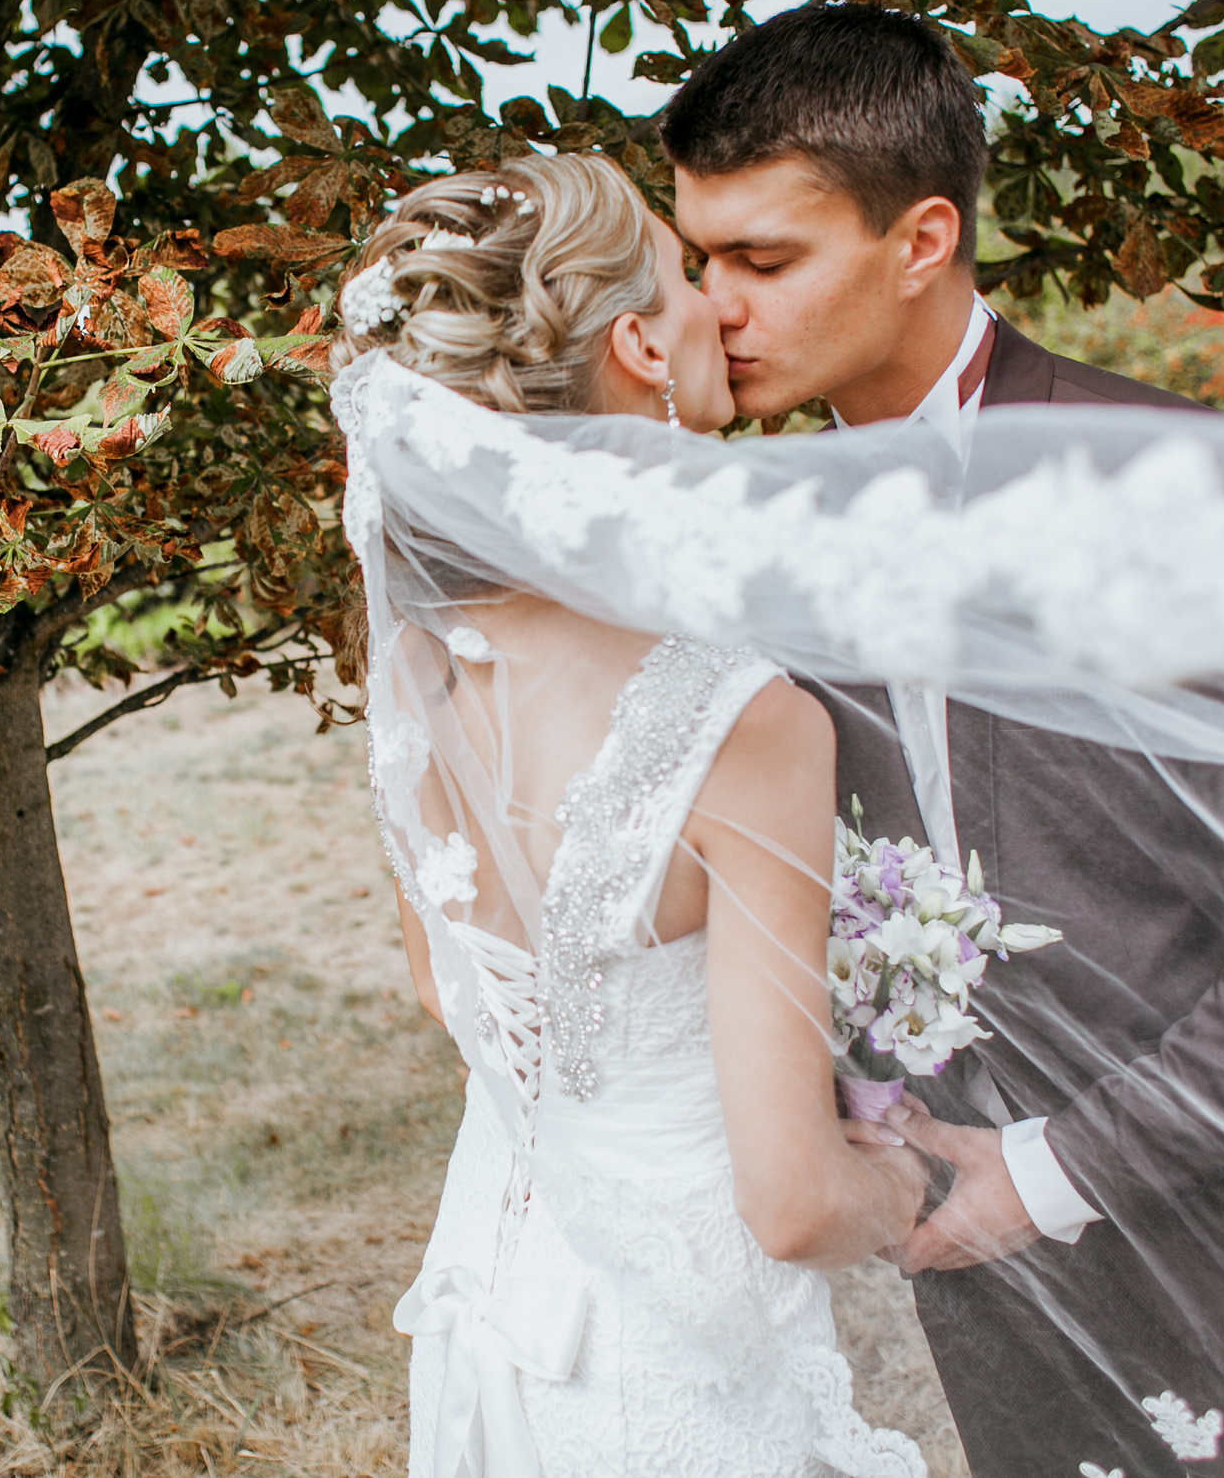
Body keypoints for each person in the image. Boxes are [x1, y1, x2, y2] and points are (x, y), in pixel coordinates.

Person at [658, 3, 1224, 1478]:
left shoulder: (1194, 498)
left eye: (764, 262)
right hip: (974, 1260)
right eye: (702, 261)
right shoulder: (762, 554)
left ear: (923, 240)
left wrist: (1048, 1171)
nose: (715, 308)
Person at [335, 153, 931, 1478]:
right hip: (677, 1372)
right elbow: (790, 1205)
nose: (724, 304)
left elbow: (451, 994)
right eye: (686, 269)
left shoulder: (418, 672)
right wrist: (914, 1182)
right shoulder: (738, 719)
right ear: (638, 342)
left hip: (492, 1300)